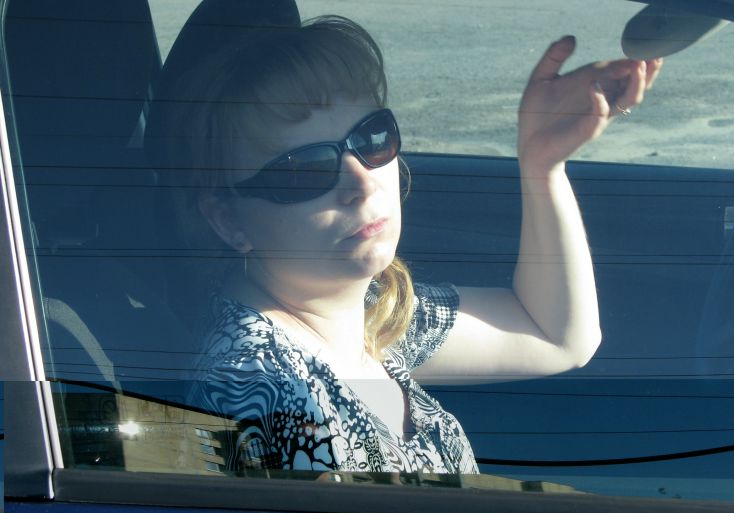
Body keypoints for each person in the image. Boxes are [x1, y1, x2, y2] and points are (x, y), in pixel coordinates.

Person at [145, 1, 660, 475]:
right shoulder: (260, 387)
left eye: (371, 138)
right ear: (227, 221)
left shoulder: (366, 315)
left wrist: (542, 163)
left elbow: (555, 336)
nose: (361, 181)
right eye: (305, 169)